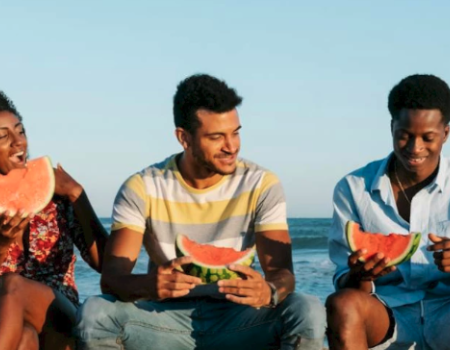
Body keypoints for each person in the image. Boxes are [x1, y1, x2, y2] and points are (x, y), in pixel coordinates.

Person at [75, 73, 326, 350]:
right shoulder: (142, 187)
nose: (232, 147)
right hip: (162, 321)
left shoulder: (260, 183)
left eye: (236, 132)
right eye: (217, 137)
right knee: (96, 312)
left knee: (307, 308)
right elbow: (112, 279)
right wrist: (150, 286)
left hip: (239, 319)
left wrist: (269, 290)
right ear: (184, 138)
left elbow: (282, 272)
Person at [326, 74, 450, 350]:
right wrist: (359, 276)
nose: (414, 148)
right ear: (392, 127)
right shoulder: (353, 188)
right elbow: (342, 281)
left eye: (427, 137)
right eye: (404, 135)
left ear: (446, 133)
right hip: (387, 312)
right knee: (342, 304)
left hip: (447, 310)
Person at [0, 91, 109, 350]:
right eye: (3, 136)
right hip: (10, 327)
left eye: (21, 131)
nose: (19, 143)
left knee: (13, 283)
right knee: (25, 339)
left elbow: (106, 263)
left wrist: (76, 194)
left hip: (60, 318)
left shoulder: (57, 198)